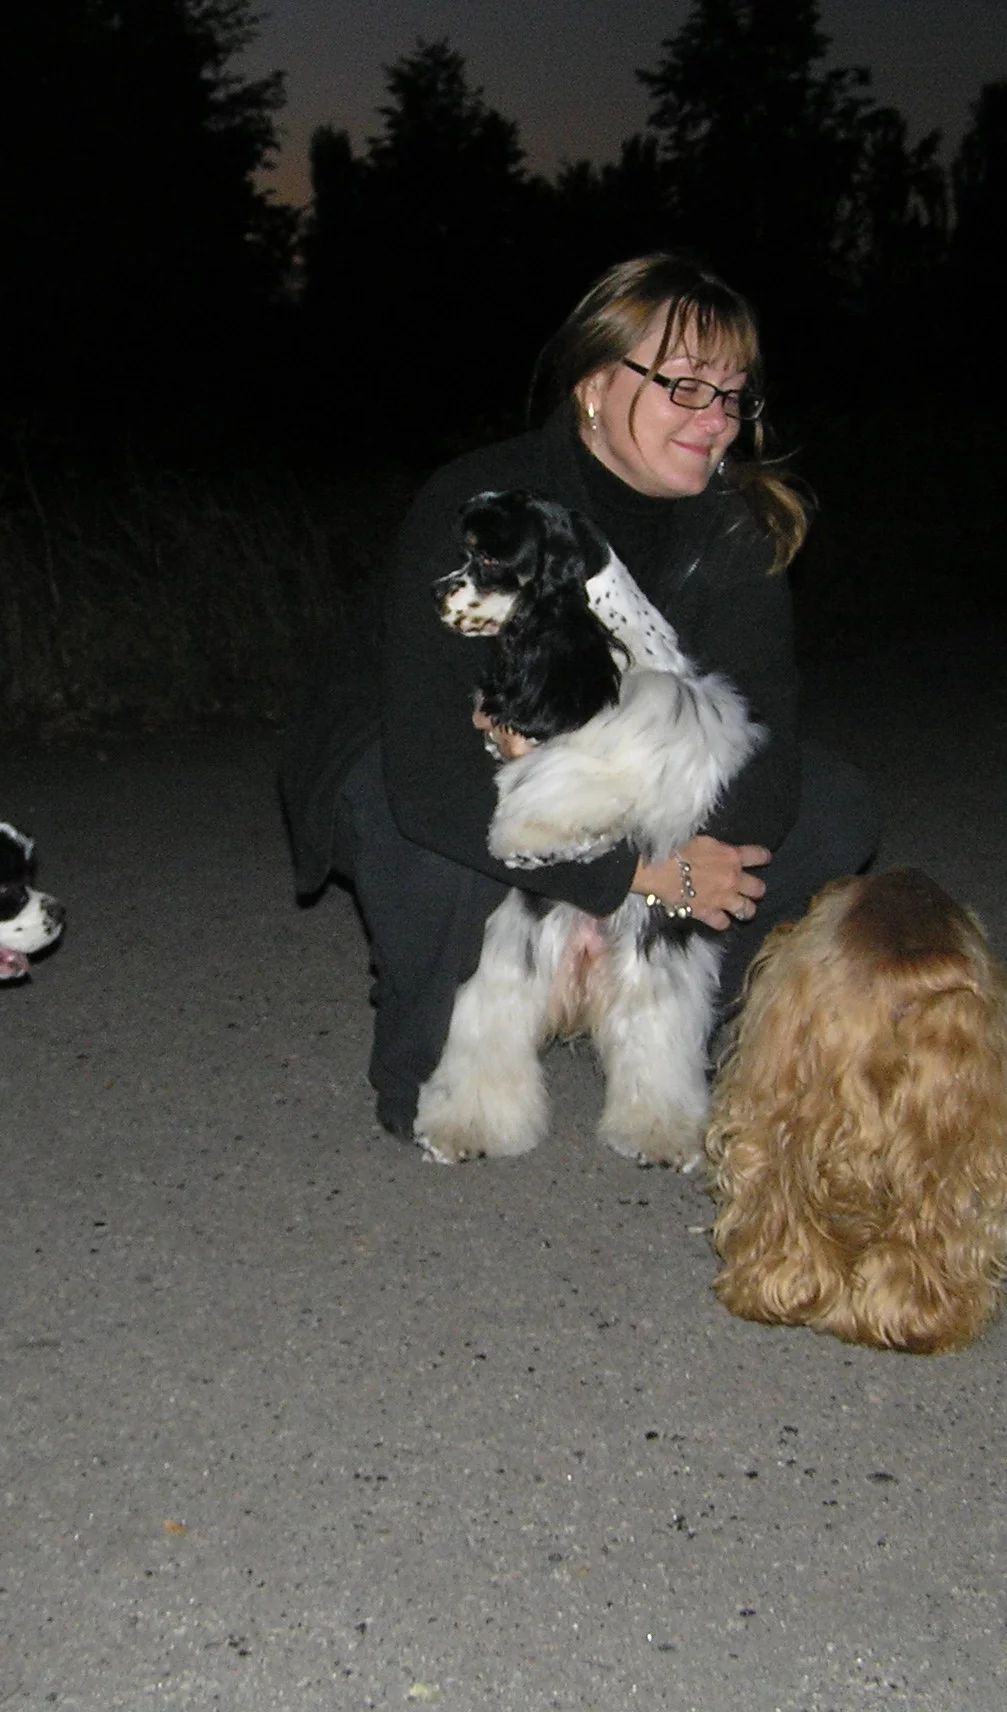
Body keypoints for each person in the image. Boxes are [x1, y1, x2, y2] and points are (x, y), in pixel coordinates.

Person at [280, 253, 881, 1142]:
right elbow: (432, 782)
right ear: (596, 385)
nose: (715, 419)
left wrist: (662, 859)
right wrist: (636, 876)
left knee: (831, 811)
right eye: (685, 386)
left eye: (732, 395)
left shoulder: (733, 530)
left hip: (609, 778)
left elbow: (764, 751)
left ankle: (650, 1014)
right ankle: (441, 1032)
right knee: (440, 827)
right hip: (428, 761)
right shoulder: (485, 508)